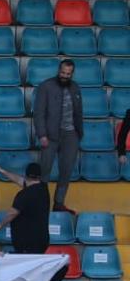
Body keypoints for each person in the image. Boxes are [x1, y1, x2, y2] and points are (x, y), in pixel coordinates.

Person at [33, 59, 83, 214]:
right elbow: (39, 113)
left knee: (66, 171)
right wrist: (42, 134)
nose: (65, 76)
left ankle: (59, 203)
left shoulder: (75, 88)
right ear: (58, 70)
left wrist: (79, 133)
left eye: (68, 74)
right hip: (50, 135)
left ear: (72, 74)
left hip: (71, 135)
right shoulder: (46, 86)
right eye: (63, 73)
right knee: (44, 172)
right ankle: (41, 204)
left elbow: (78, 112)